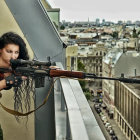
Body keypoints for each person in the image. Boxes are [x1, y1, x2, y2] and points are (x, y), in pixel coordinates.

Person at [0, 32, 31, 140]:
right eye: (9, 51)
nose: (13, 56)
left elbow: (31, 67)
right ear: (0, 50)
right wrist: (6, 82)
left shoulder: (13, 66)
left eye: (16, 52)